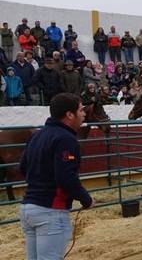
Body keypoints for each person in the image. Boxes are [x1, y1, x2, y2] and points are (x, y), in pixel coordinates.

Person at [19, 93, 95, 259]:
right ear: (69, 114)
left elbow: (23, 167)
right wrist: (86, 199)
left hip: (28, 209)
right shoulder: (66, 139)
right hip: (50, 211)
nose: (84, 114)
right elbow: (66, 176)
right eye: (81, 110)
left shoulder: (37, 135)